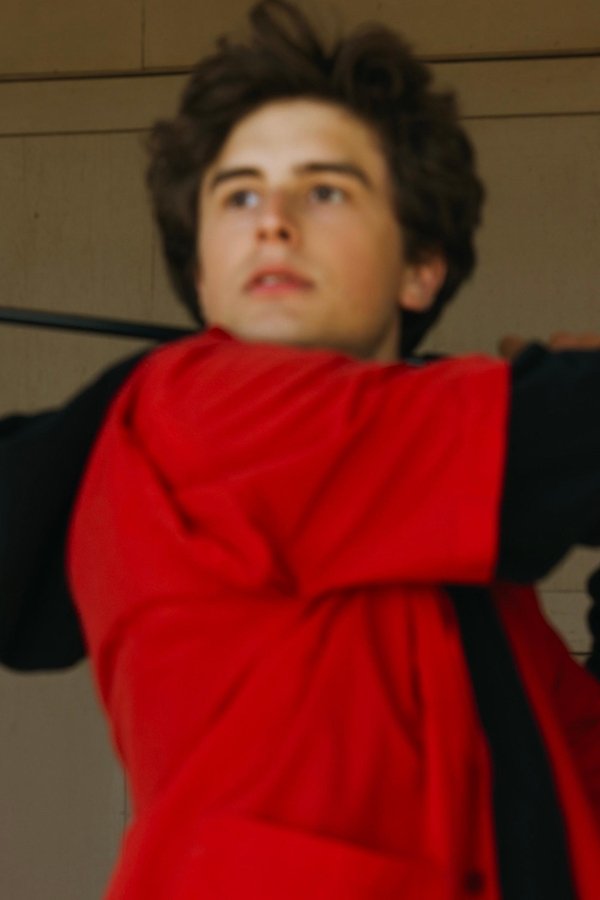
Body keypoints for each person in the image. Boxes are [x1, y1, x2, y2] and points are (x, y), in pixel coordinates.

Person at [2, 1, 599, 897]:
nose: (272, 222)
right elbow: (558, 438)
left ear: (420, 264)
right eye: (238, 195)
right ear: (202, 272)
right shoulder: (197, 404)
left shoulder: (475, 581)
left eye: (326, 190)